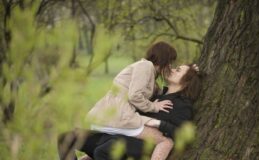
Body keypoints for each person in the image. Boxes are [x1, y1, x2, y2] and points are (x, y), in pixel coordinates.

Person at [58, 64, 202, 160]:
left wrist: (157, 123)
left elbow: (181, 135)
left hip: (139, 145)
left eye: (178, 70)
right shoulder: (155, 95)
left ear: (186, 82)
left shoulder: (182, 105)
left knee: (103, 151)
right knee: (66, 138)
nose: (172, 69)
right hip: (116, 134)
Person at [85, 41, 177, 160]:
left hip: (108, 115)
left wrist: (189, 76)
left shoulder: (148, 72)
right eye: (170, 61)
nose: (170, 66)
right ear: (164, 58)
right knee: (165, 142)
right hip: (119, 116)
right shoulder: (146, 66)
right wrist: (154, 107)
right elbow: (135, 96)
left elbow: (161, 93)